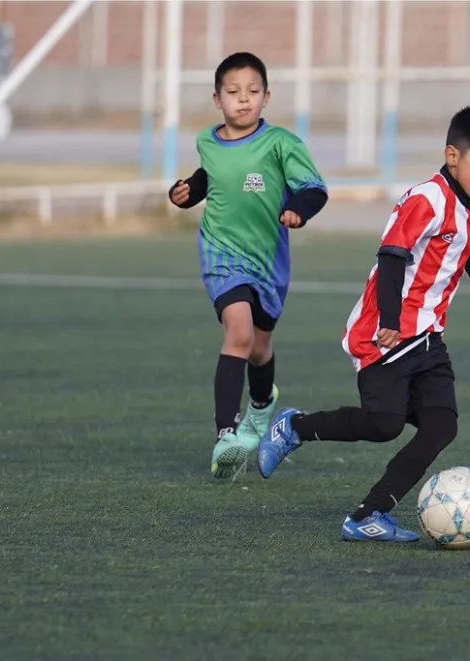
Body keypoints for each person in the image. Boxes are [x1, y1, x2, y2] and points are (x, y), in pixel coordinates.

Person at [256, 101, 470, 542]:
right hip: (385, 331)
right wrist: (392, 321)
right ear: (453, 156)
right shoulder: (426, 198)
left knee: (441, 426)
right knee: (384, 425)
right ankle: (294, 427)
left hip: (429, 335)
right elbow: (392, 256)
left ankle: (367, 515)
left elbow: (469, 246)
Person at [168, 52, 328, 480]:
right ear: (217, 99)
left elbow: (314, 188)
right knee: (238, 333)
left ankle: (261, 407)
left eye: (253, 92)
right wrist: (185, 190)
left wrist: (298, 209)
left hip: (268, 261)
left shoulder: (281, 144)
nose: (244, 100)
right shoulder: (208, 140)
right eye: (233, 92)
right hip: (221, 253)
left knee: (259, 348)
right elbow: (210, 176)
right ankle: (226, 434)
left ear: (267, 97)